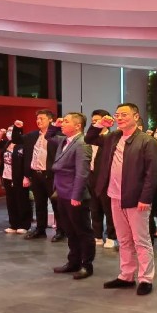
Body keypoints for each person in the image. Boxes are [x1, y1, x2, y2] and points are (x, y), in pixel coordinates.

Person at [86, 103, 157, 296]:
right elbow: (89, 138)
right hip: (114, 195)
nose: (120, 117)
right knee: (124, 239)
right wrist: (99, 124)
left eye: (124, 114)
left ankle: (145, 278)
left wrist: (145, 198)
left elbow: (152, 173)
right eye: (117, 114)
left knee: (141, 240)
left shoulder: (146, 141)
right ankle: (126, 275)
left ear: (136, 116)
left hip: (136, 198)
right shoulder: (113, 137)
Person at [48, 113, 95, 280]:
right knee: (69, 230)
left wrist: (77, 195)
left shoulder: (82, 143)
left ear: (77, 126)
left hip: (74, 195)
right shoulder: (64, 140)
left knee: (82, 231)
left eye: (66, 121)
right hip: (62, 192)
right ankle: (73, 261)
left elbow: (82, 173)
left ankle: (86, 265)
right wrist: (54, 124)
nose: (62, 123)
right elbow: (49, 136)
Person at [11, 110, 65, 242]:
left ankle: (61, 231)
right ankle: (40, 229)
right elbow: (16, 140)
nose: (38, 121)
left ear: (50, 120)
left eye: (42, 118)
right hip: (36, 174)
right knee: (40, 204)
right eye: (37, 119)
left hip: (51, 175)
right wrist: (17, 128)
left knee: (56, 204)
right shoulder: (33, 135)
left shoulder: (58, 135)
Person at [0, 125, 31, 234]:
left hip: (19, 177)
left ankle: (24, 225)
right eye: (9, 130)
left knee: (22, 201)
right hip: (7, 176)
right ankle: (14, 224)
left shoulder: (23, 145)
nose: (9, 132)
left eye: (12, 130)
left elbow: (26, 162)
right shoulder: (7, 143)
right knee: (10, 201)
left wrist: (26, 176)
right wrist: (0, 133)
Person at [89, 109, 118, 249]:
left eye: (98, 121)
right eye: (93, 121)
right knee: (94, 209)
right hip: (91, 177)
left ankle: (111, 236)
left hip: (107, 179)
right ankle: (97, 235)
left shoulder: (112, 138)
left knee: (108, 209)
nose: (95, 124)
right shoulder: (90, 139)